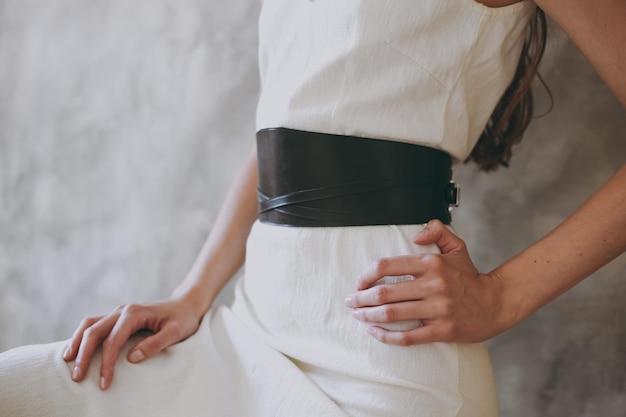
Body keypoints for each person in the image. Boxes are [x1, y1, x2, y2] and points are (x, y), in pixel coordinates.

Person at [1, 0, 625, 416]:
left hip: (385, 363)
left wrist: (503, 296)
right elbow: (294, 132)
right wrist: (194, 294)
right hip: (249, 332)